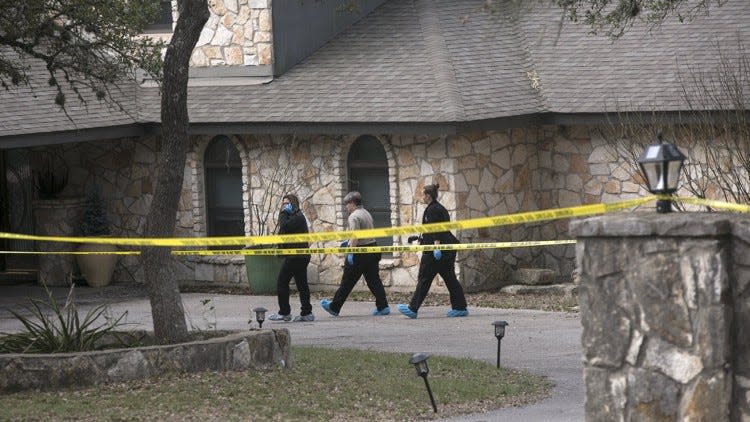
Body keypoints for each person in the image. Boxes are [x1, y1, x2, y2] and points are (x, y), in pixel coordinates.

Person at [397, 183, 468, 319]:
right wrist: (420, 238)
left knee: (424, 278)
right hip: (445, 249)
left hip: (437, 251)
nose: (422, 197)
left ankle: (413, 308)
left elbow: (437, 229)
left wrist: (436, 246)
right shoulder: (436, 208)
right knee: (450, 278)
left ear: (428, 196)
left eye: (423, 194)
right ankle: (460, 307)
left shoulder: (433, 210)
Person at [320, 191, 390, 316]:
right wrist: (347, 242)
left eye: (346, 204)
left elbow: (355, 236)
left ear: (352, 203)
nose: (346, 207)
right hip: (372, 249)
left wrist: (351, 252)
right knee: (374, 280)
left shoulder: (353, 216)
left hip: (359, 252)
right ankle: (383, 306)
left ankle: (334, 307)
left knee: (347, 281)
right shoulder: (366, 213)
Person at [268, 194, 314, 322]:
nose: (284, 206)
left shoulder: (297, 217)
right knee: (302, 284)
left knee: (282, 282)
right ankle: (306, 313)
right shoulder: (294, 216)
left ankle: (284, 312)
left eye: (287, 203)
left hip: (296, 256)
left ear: (293, 204)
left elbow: (284, 227)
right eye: (283, 204)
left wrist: (283, 213)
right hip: (298, 255)